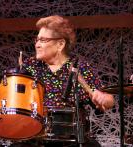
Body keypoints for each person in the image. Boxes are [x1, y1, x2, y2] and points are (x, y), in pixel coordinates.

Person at [17, 15, 115, 147]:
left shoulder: (80, 67)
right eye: (37, 40)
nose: (37, 45)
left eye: (43, 40)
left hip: (72, 139)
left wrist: (103, 98)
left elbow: (109, 100)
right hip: (35, 138)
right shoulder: (30, 66)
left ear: (60, 44)